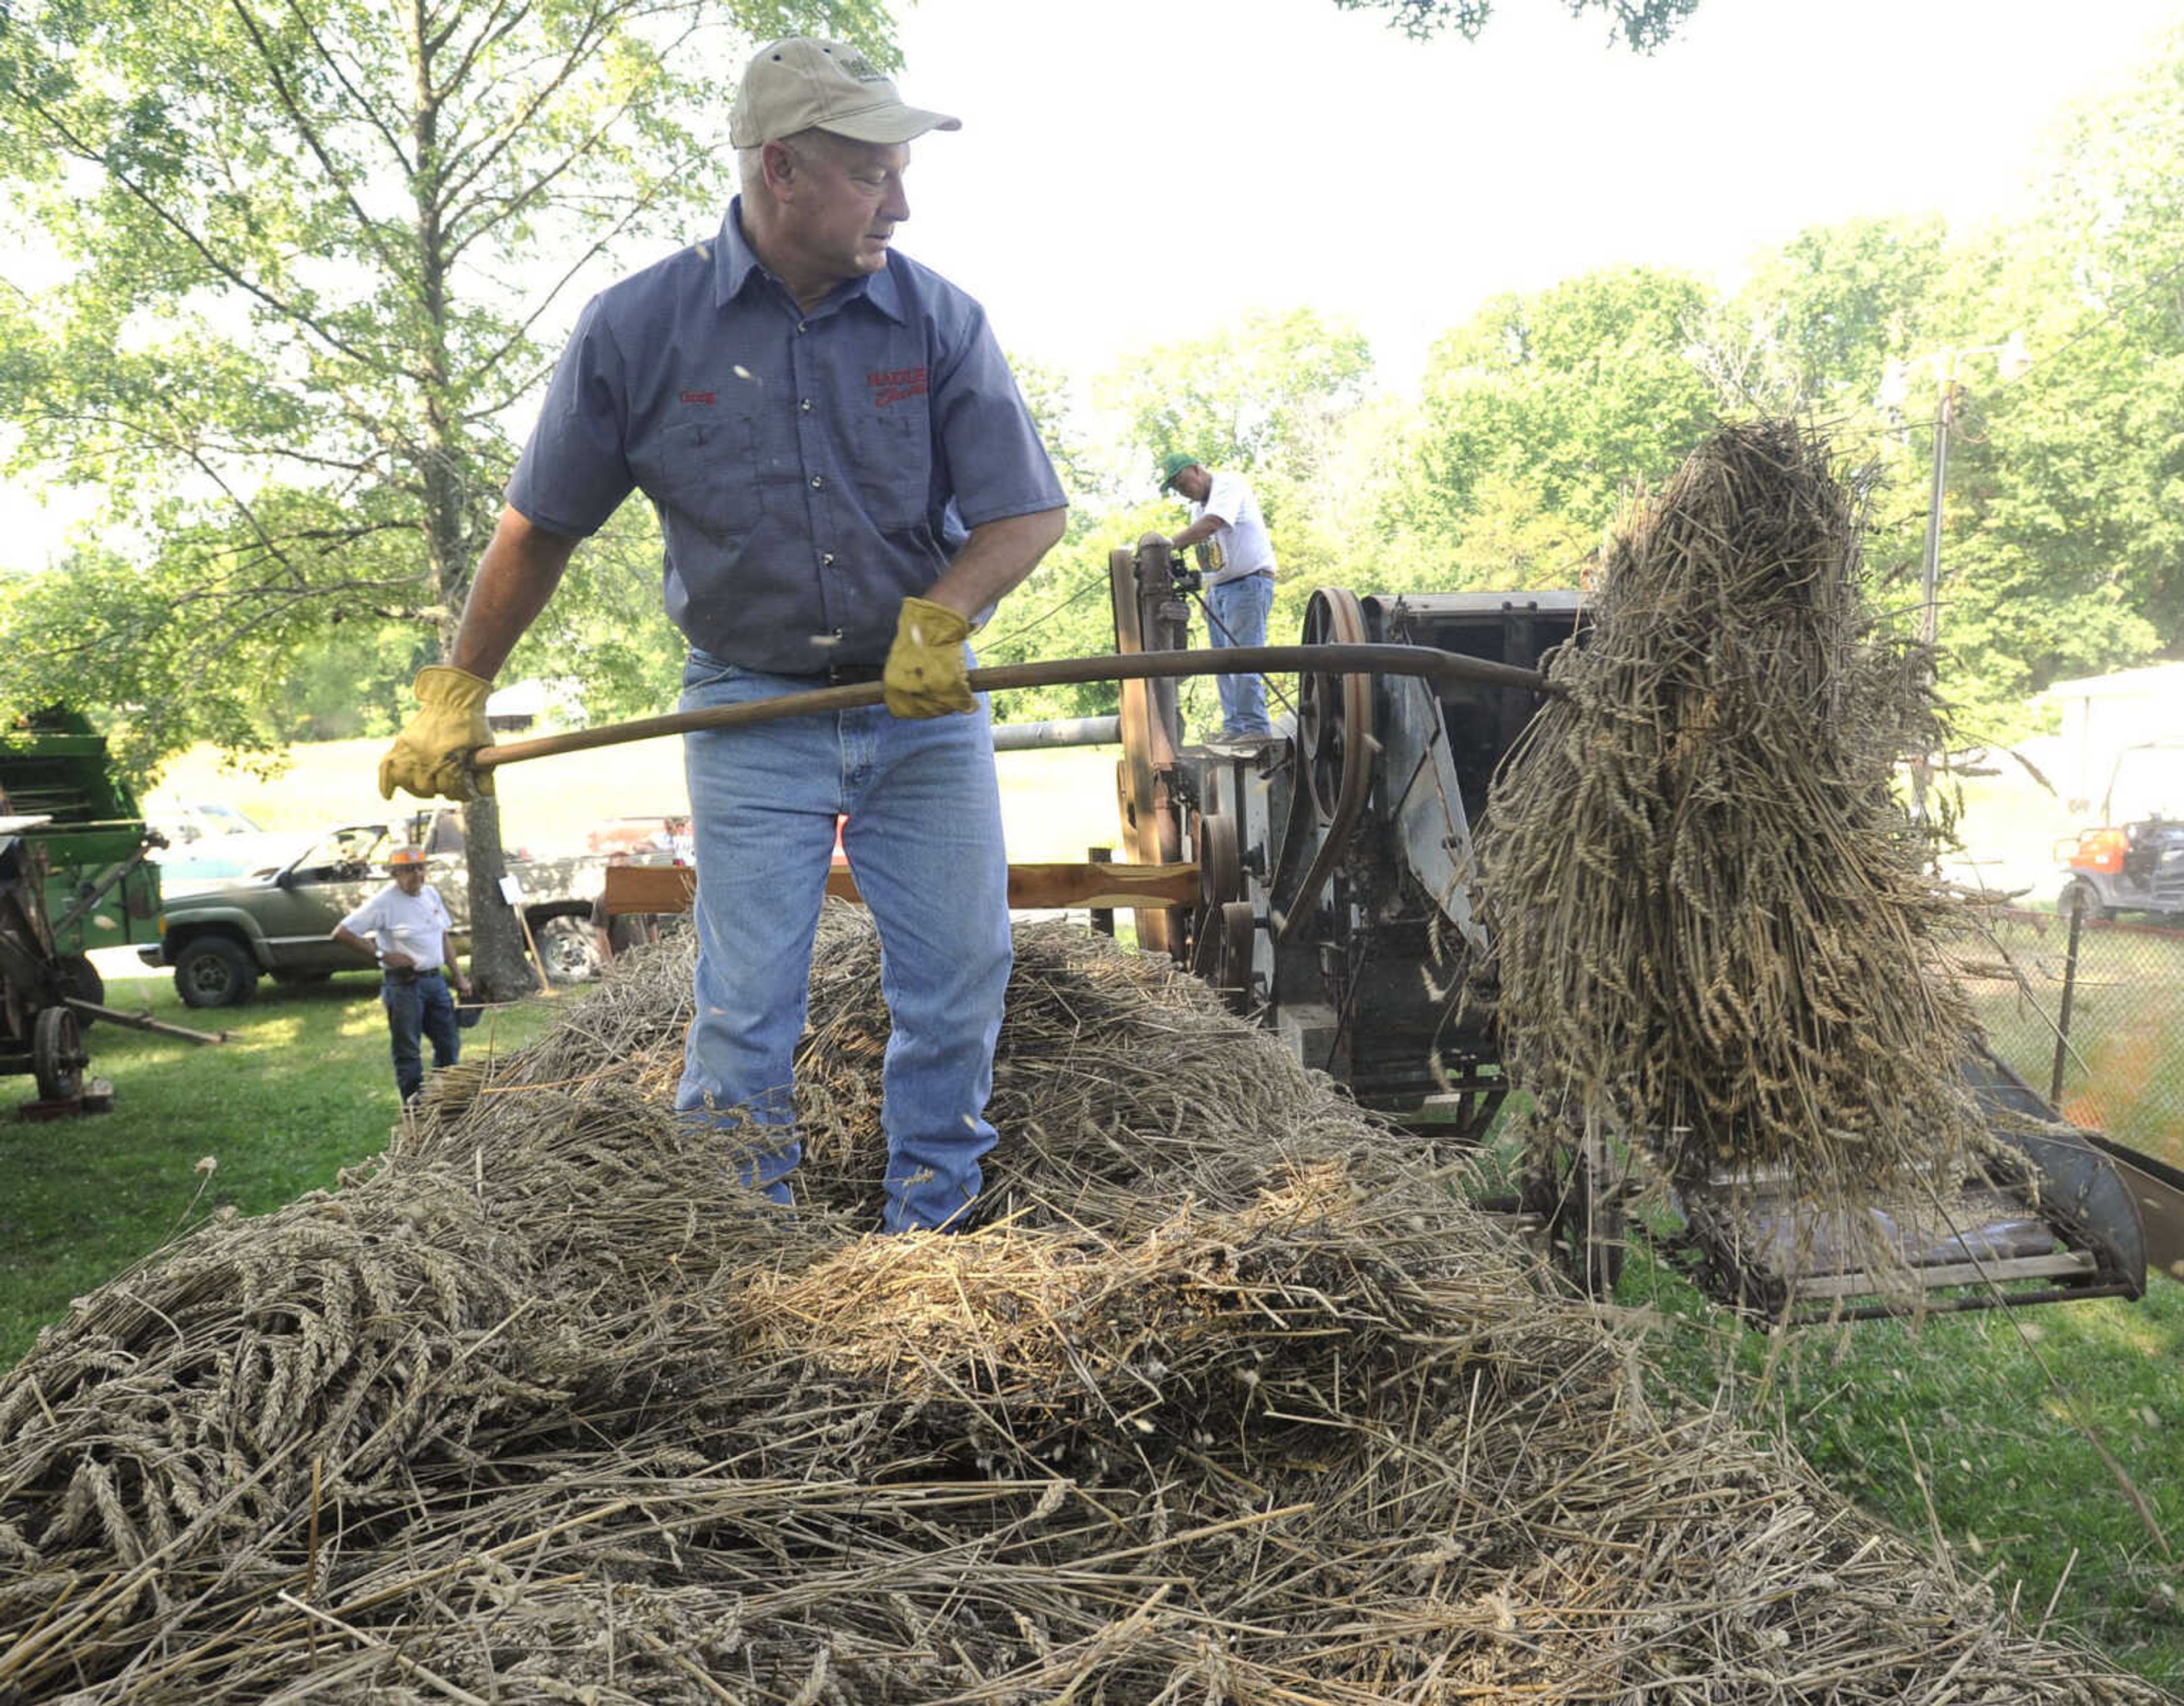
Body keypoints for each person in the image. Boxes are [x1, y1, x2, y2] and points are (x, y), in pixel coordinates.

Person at [376, 37, 1066, 1233]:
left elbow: (1028, 512)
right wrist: (457, 693)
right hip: (751, 712)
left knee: (960, 980)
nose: (901, 203)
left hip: (920, 714)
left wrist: (943, 618)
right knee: (747, 1004)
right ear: (783, 169)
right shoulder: (638, 331)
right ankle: (740, 1239)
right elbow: (538, 528)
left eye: (903, 174)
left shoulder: (938, 320)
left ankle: (936, 1223)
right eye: (873, 175)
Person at [331, 844, 474, 1103]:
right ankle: (414, 1107)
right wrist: (382, 955)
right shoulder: (384, 902)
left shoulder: (431, 895)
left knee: (449, 1043)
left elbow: (443, 936)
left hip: (435, 981)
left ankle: (443, 1098)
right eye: (409, 870)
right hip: (404, 986)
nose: (417, 874)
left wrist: (459, 976)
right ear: (395, 873)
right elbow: (341, 933)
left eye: (421, 868)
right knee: (408, 1050)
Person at [1157, 452, 1279, 742]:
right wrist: (1210, 592)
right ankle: (1235, 727)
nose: (1182, 491)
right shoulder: (1197, 509)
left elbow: (1212, 525)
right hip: (1221, 589)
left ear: (1197, 469)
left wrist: (1167, 545)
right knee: (1221, 663)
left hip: (1249, 584)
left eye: (1182, 482)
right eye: (1175, 487)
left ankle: (1255, 729)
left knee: (1243, 658)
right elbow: (1209, 555)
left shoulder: (1228, 488)